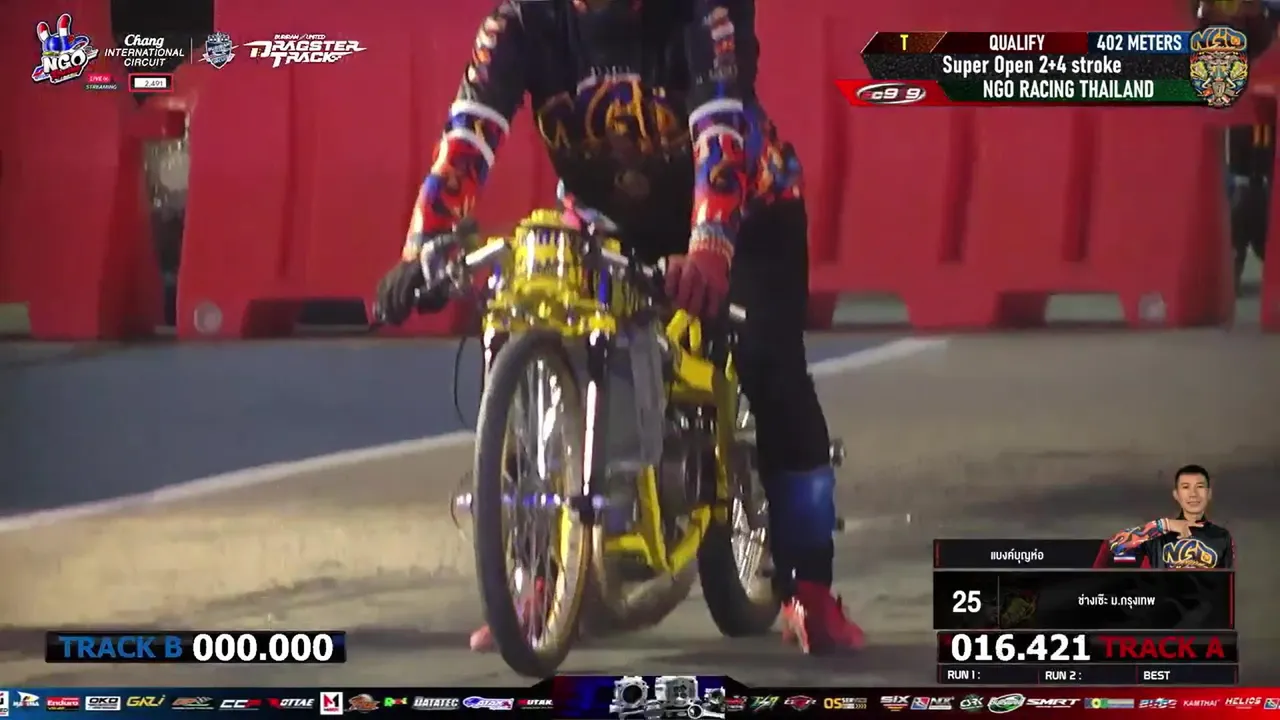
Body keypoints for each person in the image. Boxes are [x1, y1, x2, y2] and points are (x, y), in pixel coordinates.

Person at [373, 0, 862, 654]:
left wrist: (710, 248)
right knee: (536, 324)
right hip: (605, 221)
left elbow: (722, 122)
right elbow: (470, 129)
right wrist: (424, 244)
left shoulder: (704, 13)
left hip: (744, 214)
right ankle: (543, 577)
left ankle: (811, 591)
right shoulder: (520, 22)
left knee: (770, 365)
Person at [1107, 465, 1235, 569]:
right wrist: (1165, 525)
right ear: (1176, 495)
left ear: (1209, 493)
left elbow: (1227, 585)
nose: (1193, 494)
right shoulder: (1158, 534)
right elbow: (1114, 546)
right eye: (1186, 487)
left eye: (1200, 487)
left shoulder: (1222, 537)